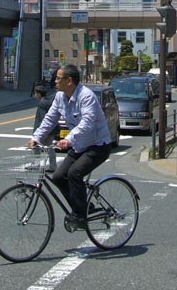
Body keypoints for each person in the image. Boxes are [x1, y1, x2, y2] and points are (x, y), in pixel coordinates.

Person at [28, 64, 113, 229]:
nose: (55, 81)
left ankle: (80, 215)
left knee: (74, 174)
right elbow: (50, 118)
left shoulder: (86, 96)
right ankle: (82, 207)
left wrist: (68, 139)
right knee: (58, 177)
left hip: (97, 146)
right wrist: (36, 138)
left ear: (69, 81)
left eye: (58, 78)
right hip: (79, 146)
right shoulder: (60, 96)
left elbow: (87, 123)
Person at [32, 85, 57, 172]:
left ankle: (36, 164)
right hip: (51, 130)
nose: (35, 95)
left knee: (35, 146)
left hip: (45, 130)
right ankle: (53, 166)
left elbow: (43, 118)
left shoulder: (42, 103)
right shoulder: (48, 102)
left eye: (36, 93)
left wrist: (42, 132)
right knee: (50, 149)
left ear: (39, 94)